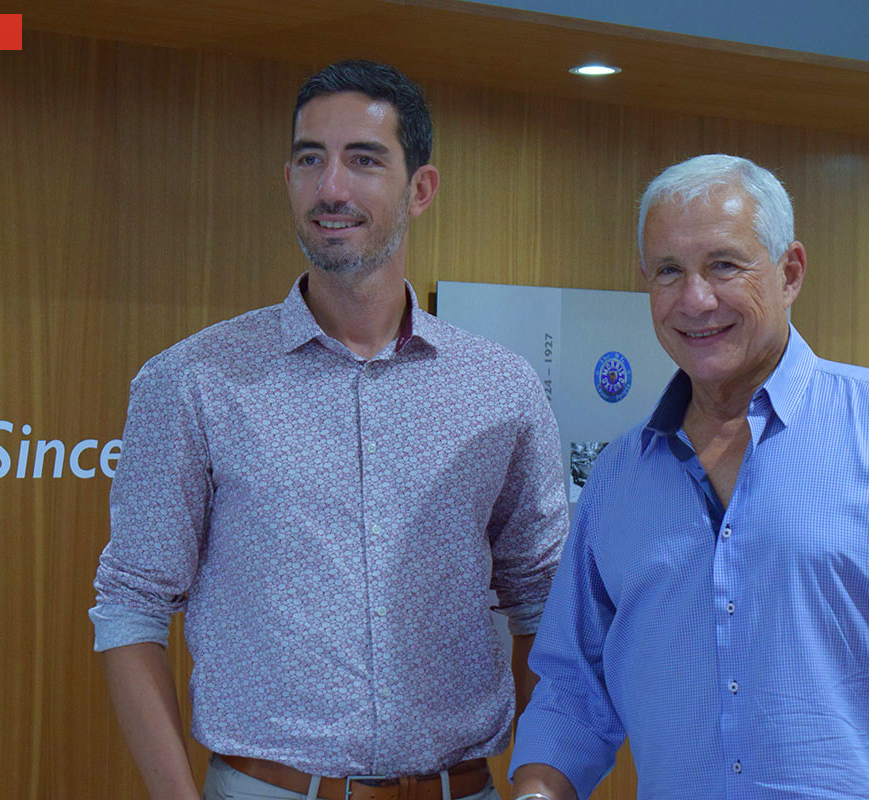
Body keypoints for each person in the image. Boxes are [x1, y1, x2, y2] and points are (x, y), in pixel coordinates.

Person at [508, 154, 869, 799]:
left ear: (790, 271)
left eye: (724, 265)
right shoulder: (619, 479)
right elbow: (575, 683)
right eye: (669, 271)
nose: (696, 300)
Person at [90, 60, 569, 800]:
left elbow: (543, 601)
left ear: (421, 190)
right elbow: (131, 605)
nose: (331, 188)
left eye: (364, 160)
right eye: (311, 159)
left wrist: (541, 784)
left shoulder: (499, 389)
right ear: (288, 179)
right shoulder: (194, 379)